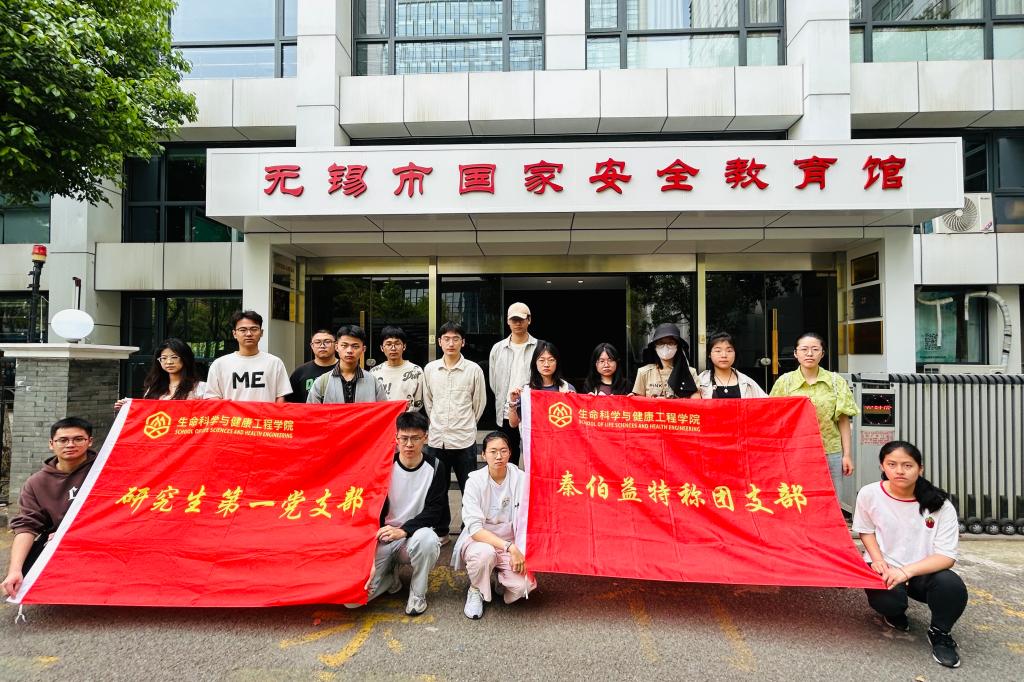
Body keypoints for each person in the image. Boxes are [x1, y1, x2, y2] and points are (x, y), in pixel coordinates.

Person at [853, 440, 967, 669]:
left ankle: (940, 633)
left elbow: (946, 557)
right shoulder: (869, 493)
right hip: (885, 567)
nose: (899, 471)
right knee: (888, 602)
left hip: (923, 571)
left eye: (907, 465)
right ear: (882, 466)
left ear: (920, 469)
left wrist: (906, 572)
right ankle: (895, 614)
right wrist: (877, 559)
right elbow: (866, 530)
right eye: (892, 464)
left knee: (951, 586)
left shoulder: (940, 505)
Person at [349, 411, 449, 616]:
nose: (409, 444)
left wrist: (403, 530)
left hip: (414, 537)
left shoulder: (436, 467)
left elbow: (435, 510)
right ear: (396, 438)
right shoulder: (385, 467)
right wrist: (368, 554)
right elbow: (371, 508)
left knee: (428, 540)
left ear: (426, 438)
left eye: (415, 438)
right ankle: (389, 579)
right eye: (404, 438)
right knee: (353, 602)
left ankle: (418, 594)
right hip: (384, 537)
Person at [2, 418, 96, 597]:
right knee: (24, 578)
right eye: (63, 440)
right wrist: (14, 570)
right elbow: (27, 526)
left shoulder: (106, 470)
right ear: (51, 444)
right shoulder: (37, 482)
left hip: (99, 537)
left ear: (90, 441)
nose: (70, 444)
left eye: (78, 439)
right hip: (56, 540)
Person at [453, 431, 535, 620]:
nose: (499, 456)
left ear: (510, 453)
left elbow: (528, 517)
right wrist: (510, 547)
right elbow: (475, 529)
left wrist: (518, 548)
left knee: (524, 587)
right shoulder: (474, 481)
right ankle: (476, 589)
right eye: (493, 451)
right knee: (485, 554)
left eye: (503, 451)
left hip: (511, 539)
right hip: (481, 541)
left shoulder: (521, 478)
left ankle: (500, 578)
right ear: (484, 455)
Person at [769, 331, 858, 493]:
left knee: (830, 499)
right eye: (804, 349)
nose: (809, 354)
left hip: (829, 451)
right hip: (794, 452)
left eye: (815, 349)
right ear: (795, 353)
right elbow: (774, 419)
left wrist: (847, 455)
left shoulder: (836, 381)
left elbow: (843, 420)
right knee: (799, 499)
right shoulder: (785, 382)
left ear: (822, 353)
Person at [422, 321, 486, 494]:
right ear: (439, 342)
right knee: (437, 491)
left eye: (455, 339)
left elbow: (479, 403)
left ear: (463, 342)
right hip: (437, 439)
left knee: (470, 490)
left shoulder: (473, 370)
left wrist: (468, 423)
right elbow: (428, 402)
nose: (451, 343)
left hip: (464, 439)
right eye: (446, 339)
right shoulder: (430, 369)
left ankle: (468, 516)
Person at [488, 302, 538, 466]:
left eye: (521, 319)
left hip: (533, 412)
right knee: (508, 456)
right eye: (513, 319)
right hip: (506, 411)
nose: (517, 323)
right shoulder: (498, 348)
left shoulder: (539, 347)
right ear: (508, 321)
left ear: (529, 320)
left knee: (535, 457)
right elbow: (494, 382)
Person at [205, 311, 291, 402]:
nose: (249, 334)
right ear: (234, 334)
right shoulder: (219, 364)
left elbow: (280, 397)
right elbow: (212, 397)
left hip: (265, 412)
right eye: (243, 330)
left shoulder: (275, 362)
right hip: (232, 412)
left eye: (254, 329)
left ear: (261, 332)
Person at [114, 338, 207, 410]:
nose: (169, 362)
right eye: (164, 358)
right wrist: (128, 408)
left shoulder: (201, 388)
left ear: (185, 358)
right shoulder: (154, 388)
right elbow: (146, 413)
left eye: (174, 357)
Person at [307, 325, 388, 404]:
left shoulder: (373, 382)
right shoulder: (322, 382)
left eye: (355, 346)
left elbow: (383, 410)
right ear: (336, 347)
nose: (349, 350)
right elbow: (312, 411)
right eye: (344, 346)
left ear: (363, 349)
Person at [508, 341, 575, 428]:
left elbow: (575, 423)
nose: (546, 364)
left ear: (557, 363)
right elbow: (513, 424)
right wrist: (513, 402)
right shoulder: (526, 390)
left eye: (551, 360)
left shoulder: (567, 388)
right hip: (534, 436)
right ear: (535, 363)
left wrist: (574, 402)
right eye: (542, 360)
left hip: (559, 435)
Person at [631, 323, 699, 399]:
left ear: (677, 346)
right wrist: (633, 399)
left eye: (671, 343)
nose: (665, 347)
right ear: (655, 347)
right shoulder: (644, 372)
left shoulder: (690, 372)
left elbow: (695, 401)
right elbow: (639, 401)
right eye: (660, 343)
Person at [696, 332, 768, 399]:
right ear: (709, 354)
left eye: (729, 351)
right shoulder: (700, 382)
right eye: (718, 351)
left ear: (735, 353)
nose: (724, 355)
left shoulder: (747, 382)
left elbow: (766, 403)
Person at [370, 325, 425, 412]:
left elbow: (418, 402)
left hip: (407, 418)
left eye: (397, 343)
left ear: (404, 346)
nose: (393, 348)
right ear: (382, 348)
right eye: (388, 344)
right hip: (383, 417)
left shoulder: (416, 371)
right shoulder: (374, 372)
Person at [287, 329, 337, 403]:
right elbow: (289, 402)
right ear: (312, 346)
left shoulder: (345, 369)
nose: (322, 346)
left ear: (336, 345)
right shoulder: (300, 372)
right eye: (317, 342)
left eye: (327, 342)